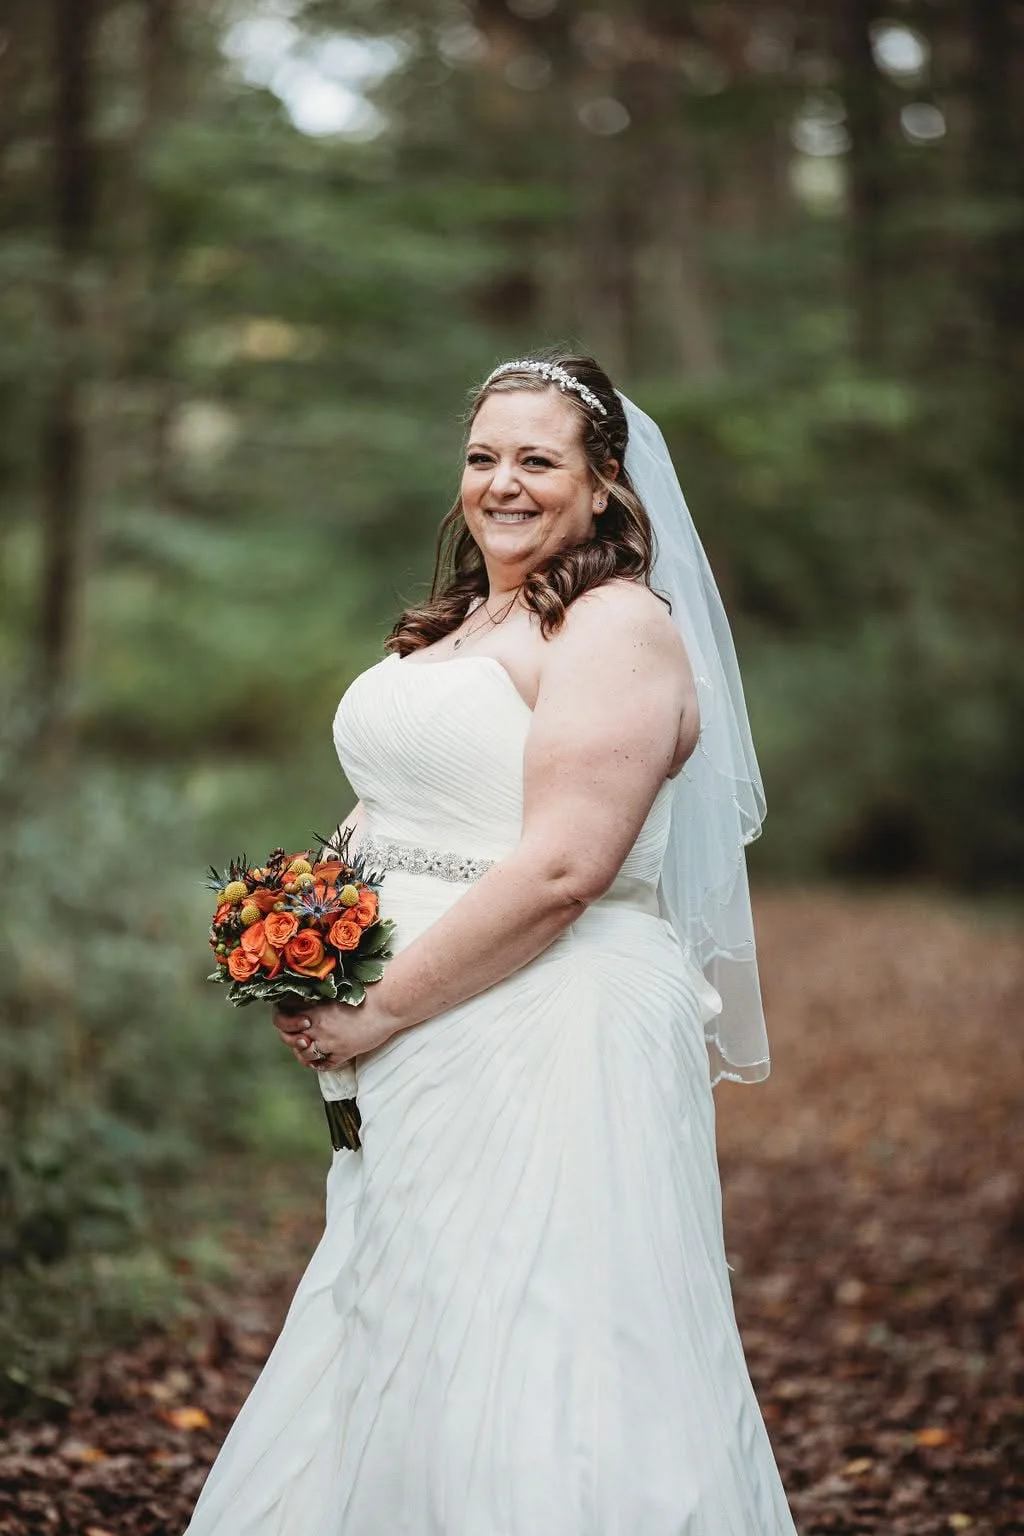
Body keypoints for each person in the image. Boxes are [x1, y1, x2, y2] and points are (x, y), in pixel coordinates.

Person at [185, 353, 796, 1535]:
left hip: (547, 1024)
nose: (501, 484)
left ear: (604, 479)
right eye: (481, 457)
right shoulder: (472, 621)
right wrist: (300, 932)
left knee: (542, 1329)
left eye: (536, 459)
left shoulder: (617, 627)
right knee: (413, 1309)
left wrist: (382, 1005)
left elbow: (565, 869)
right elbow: (397, 804)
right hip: (420, 1036)